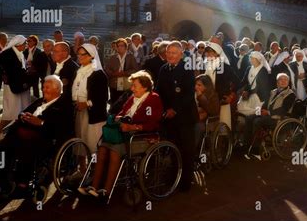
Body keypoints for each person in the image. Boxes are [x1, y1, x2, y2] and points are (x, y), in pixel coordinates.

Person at [79, 71, 163, 198]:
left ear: (145, 87)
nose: (132, 88)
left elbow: (153, 123)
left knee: (114, 149)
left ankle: (106, 191)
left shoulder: (153, 99)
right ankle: (94, 186)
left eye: (134, 85)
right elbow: (122, 112)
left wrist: (133, 126)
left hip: (143, 137)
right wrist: (118, 118)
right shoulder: (132, 98)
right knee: (102, 148)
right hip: (124, 134)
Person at [0, 75, 74, 188]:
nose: (44, 90)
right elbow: (22, 112)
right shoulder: (40, 101)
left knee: (25, 148)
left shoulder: (64, 106)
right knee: (3, 147)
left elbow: (63, 129)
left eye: (47, 87)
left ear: (57, 89)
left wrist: (41, 123)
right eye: (43, 87)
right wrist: (23, 116)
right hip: (24, 133)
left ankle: (22, 181)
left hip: (46, 138)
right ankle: (1, 177)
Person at [156, 41, 198, 191]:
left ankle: (186, 182)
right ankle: (173, 178)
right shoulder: (163, 69)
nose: (170, 55)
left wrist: (175, 109)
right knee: (172, 149)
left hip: (185, 117)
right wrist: (164, 109)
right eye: (168, 52)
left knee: (186, 150)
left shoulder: (187, 68)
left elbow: (188, 94)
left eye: (174, 53)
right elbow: (159, 91)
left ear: (181, 54)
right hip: (169, 117)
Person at [242, 73, 296, 157]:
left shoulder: (291, 94)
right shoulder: (273, 92)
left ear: (288, 82)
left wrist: (268, 112)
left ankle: (255, 148)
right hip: (268, 116)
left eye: (286, 80)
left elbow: (284, 109)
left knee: (257, 121)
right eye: (281, 79)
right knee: (249, 118)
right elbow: (266, 104)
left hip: (279, 118)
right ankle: (246, 143)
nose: (283, 81)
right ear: (277, 82)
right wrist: (259, 110)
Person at [0, 35, 32, 140]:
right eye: (24, 43)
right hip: (12, 87)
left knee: (22, 110)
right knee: (11, 112)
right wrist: (3, 73)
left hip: (21, 87)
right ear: (18, 45)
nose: (26, 45)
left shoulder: (20, 53)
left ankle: (17, 133)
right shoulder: (8, 53)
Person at [72, 43, 108, 153]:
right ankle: (82, 169)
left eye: (83, 54)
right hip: (79, 111)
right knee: (81, 141)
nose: (80, 57)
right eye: (79, 54)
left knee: (92, 143)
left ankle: (94, 168)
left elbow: (103, 97)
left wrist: (86, 104)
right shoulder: (78, 71)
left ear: (92, 56)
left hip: (93, 114)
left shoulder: (98, 73)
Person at [105, 38, 138, 105]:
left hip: (127, 85)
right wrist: (114, 74)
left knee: (125, 103)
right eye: (118, 46)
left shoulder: (131, 57)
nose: (120, 47)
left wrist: (125, 73)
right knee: (114, 103)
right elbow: (107, 69)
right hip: (114, 84)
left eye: (122, 45)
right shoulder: (112, 57)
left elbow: (135, 69)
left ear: (126, 47)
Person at [237, 51, 271, 116]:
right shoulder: (249, 68)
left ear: (258, 60)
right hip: (249, 94)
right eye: (250, 58)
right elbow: (245, 81)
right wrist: (242, 90)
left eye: (253, 58)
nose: (251, 60)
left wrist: (249, 92)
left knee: (257, 115)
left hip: (259, 96)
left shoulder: (263, 70)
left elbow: (262, 87)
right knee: (240, 108)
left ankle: (257, 115)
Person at [194, 74, 220, 153]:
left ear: (206, 86)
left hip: (208, 121)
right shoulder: (193, 93)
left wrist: (201, 97)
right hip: (194, 118)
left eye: (199, 85)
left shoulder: (213, 95)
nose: (196, 87)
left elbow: (212, 111)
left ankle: (193, 150)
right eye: (195, 84)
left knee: (198, 127)